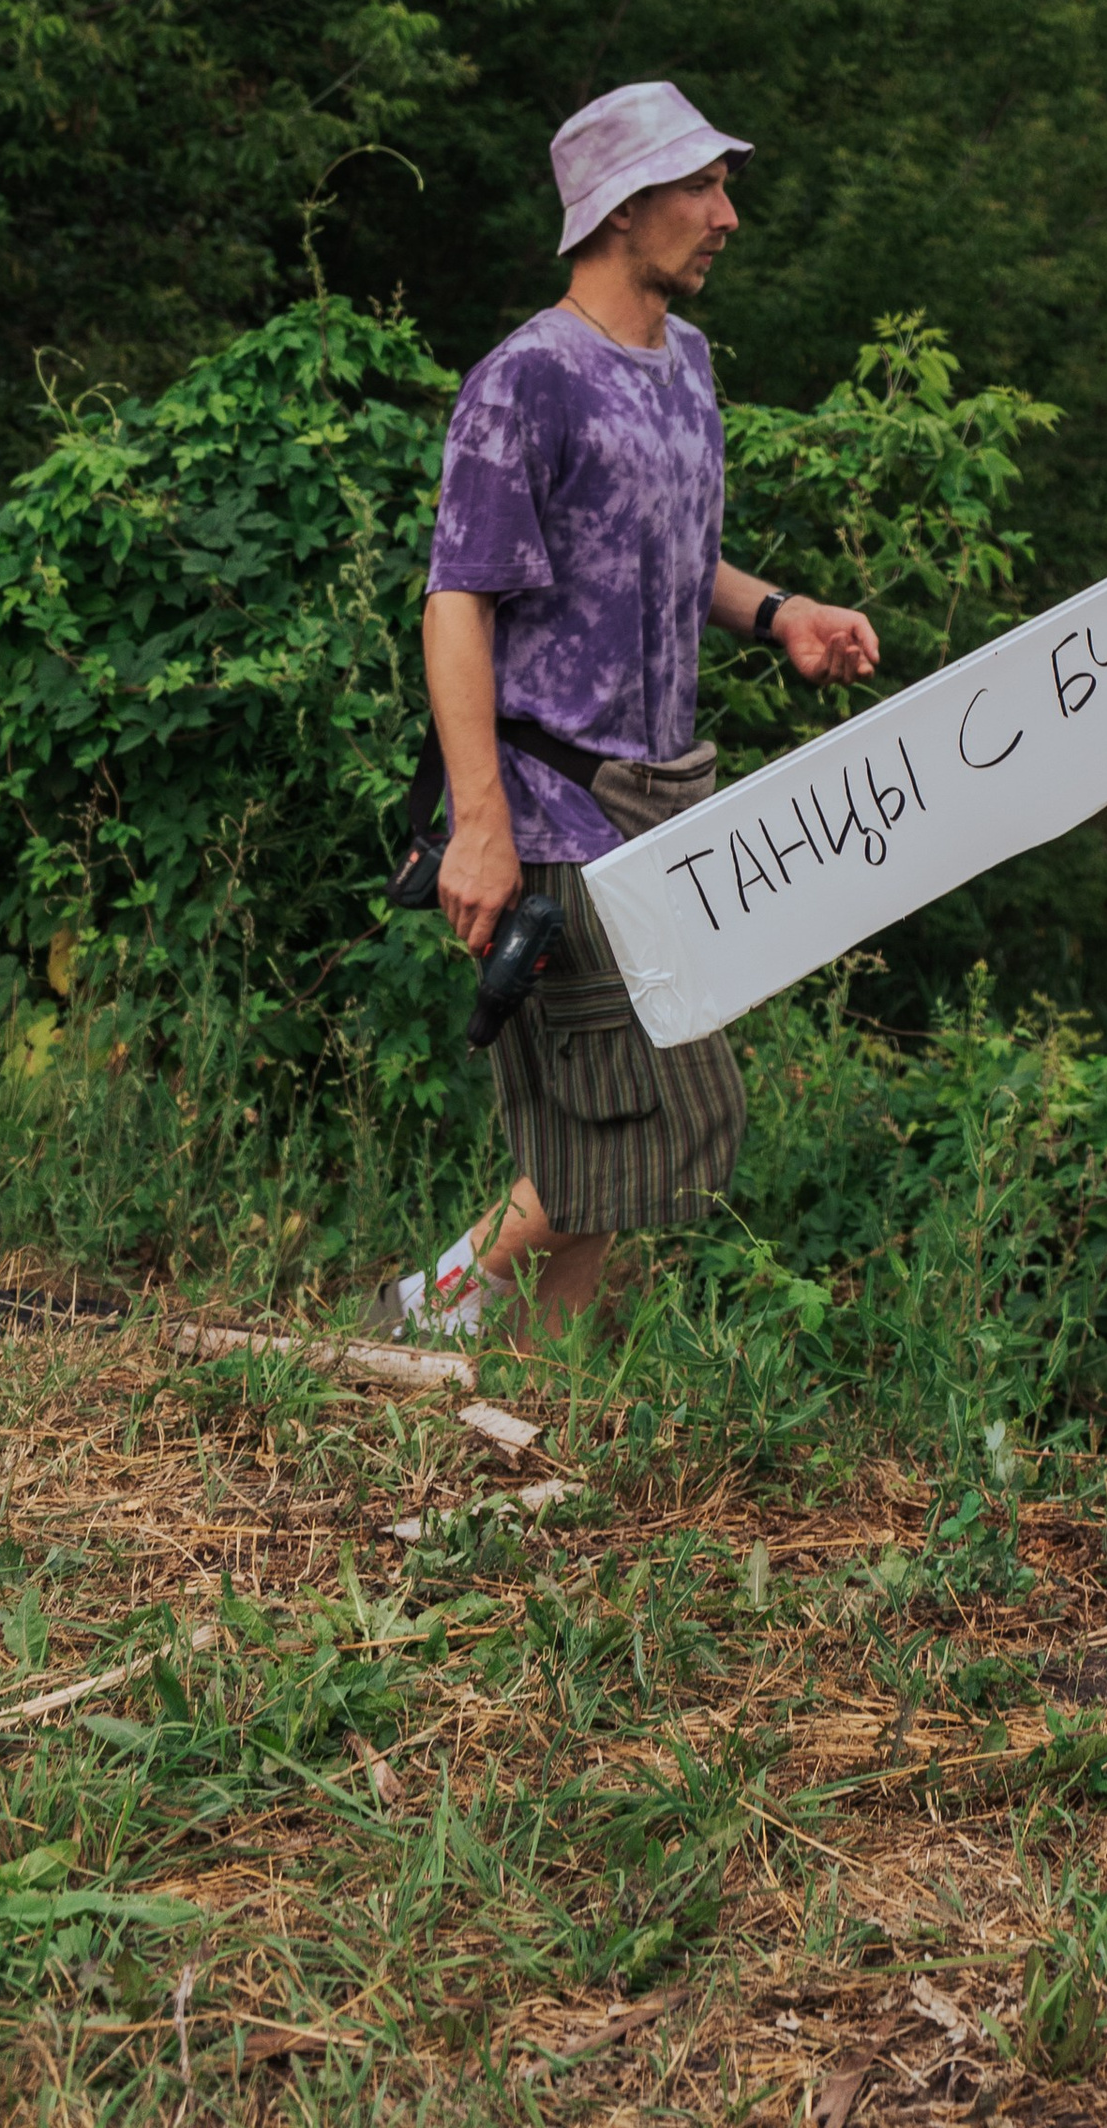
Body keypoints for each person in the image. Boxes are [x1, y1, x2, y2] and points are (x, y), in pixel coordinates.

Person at [368, 80, 878, 1346]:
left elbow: (666, 555)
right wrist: (479, 826)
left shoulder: (686, 363)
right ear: (618, 211)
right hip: (554, 817)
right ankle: (421, 1309)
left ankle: (535, 1395)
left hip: (668, 803)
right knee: (675, 1116)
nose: (727, 216)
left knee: (595, 1133)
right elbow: (456, 605)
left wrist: (781, 615)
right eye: (701, 190)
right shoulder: (525, 383)